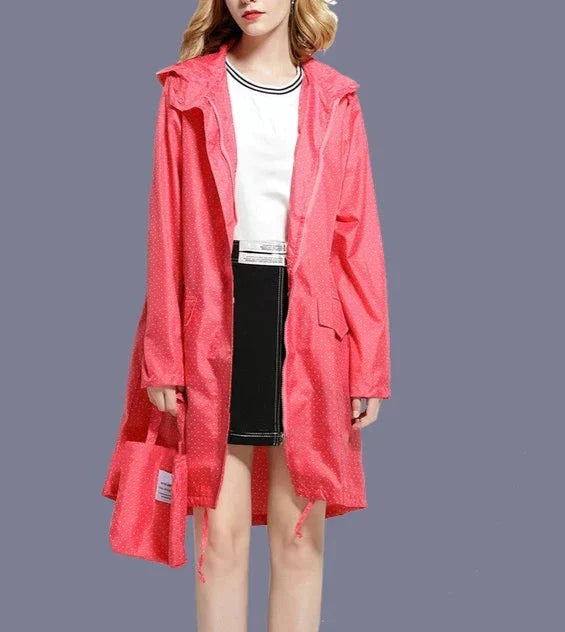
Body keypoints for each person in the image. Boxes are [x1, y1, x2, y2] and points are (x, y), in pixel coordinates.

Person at [102, 0, 391, 629]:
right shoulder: (188, 92)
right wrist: (163, 354)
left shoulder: (336, 99)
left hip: (311, 327)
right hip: (214, 320)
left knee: (299, 537)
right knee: (219, 539)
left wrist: (369, 363)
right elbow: (166, 229)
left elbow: (356, 237)